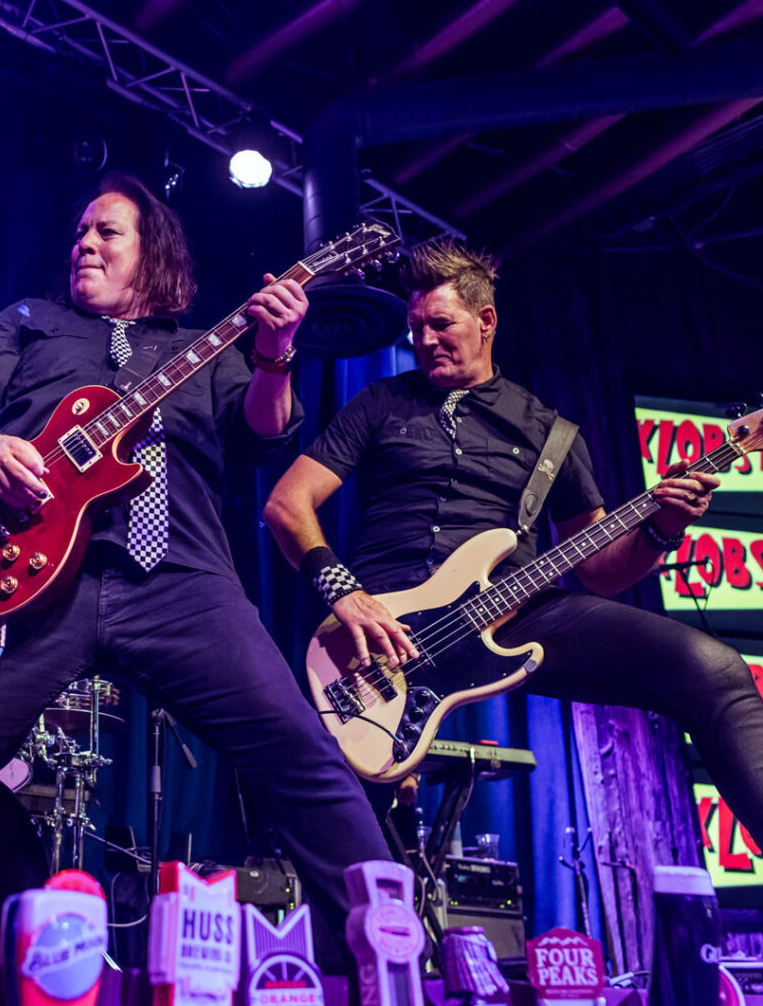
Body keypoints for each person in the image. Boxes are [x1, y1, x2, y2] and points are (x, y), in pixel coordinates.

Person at [0, 173, 391, 939]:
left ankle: (387, 949)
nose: (84, 243)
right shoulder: (29, 321)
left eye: (106, 232)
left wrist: (276, 354)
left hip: (183, 582)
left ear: (154, 256)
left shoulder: (200, 349)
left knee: (303, 757)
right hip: (30, 577)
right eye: (79, 232)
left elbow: (264, 433)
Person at [263, 238, 763, 843]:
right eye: (415, 326)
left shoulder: (550, 433)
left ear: (486, 321)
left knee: (716, 671)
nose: (423, 340)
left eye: (440, 324)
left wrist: (661, 526)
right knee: (342, 837)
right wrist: (345, 594)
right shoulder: (380, 403)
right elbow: (287, 505)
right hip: (380, 632)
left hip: (514, 614)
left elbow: (600, 569)